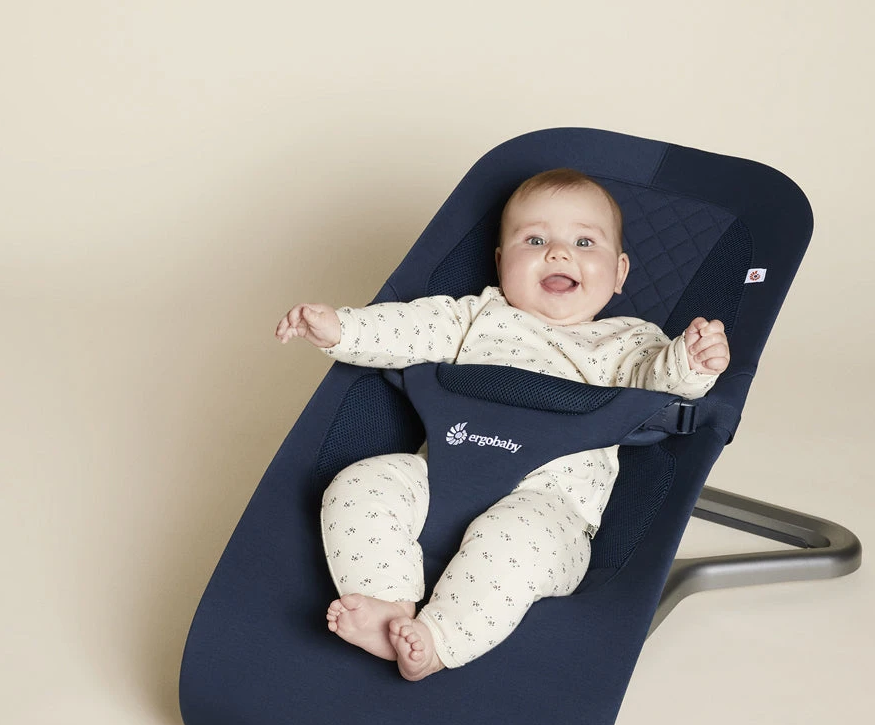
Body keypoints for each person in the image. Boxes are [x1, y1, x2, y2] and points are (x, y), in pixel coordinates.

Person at [275, 169, 730, 681]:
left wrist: (693, 361)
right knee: (360, 483)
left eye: (584, 242)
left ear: (620, 272)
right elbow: (408, 327)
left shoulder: (628, 342)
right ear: (500, 263)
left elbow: (661, 378)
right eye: (534, 240)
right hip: (443, 474)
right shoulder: (477, 316)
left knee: (516, 543)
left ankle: (438, 641)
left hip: (550, 507)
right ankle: (387, 603)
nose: (558, 253)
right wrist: (341, 327)